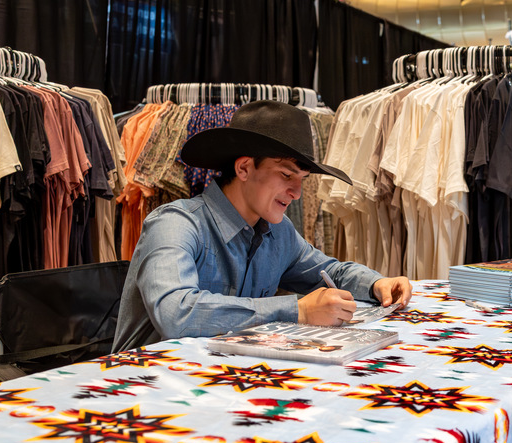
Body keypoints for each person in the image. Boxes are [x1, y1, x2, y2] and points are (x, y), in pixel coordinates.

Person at [113, 101, 413, 352]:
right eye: (286, 175)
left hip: (225, 381)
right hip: (143, 386)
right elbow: (176, 313)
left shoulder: (277, 232)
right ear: (244, 168)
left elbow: (329, 273)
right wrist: (298, 311)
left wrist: (376, 284)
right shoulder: (175, 223)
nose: (296, 193)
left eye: (301, 181)